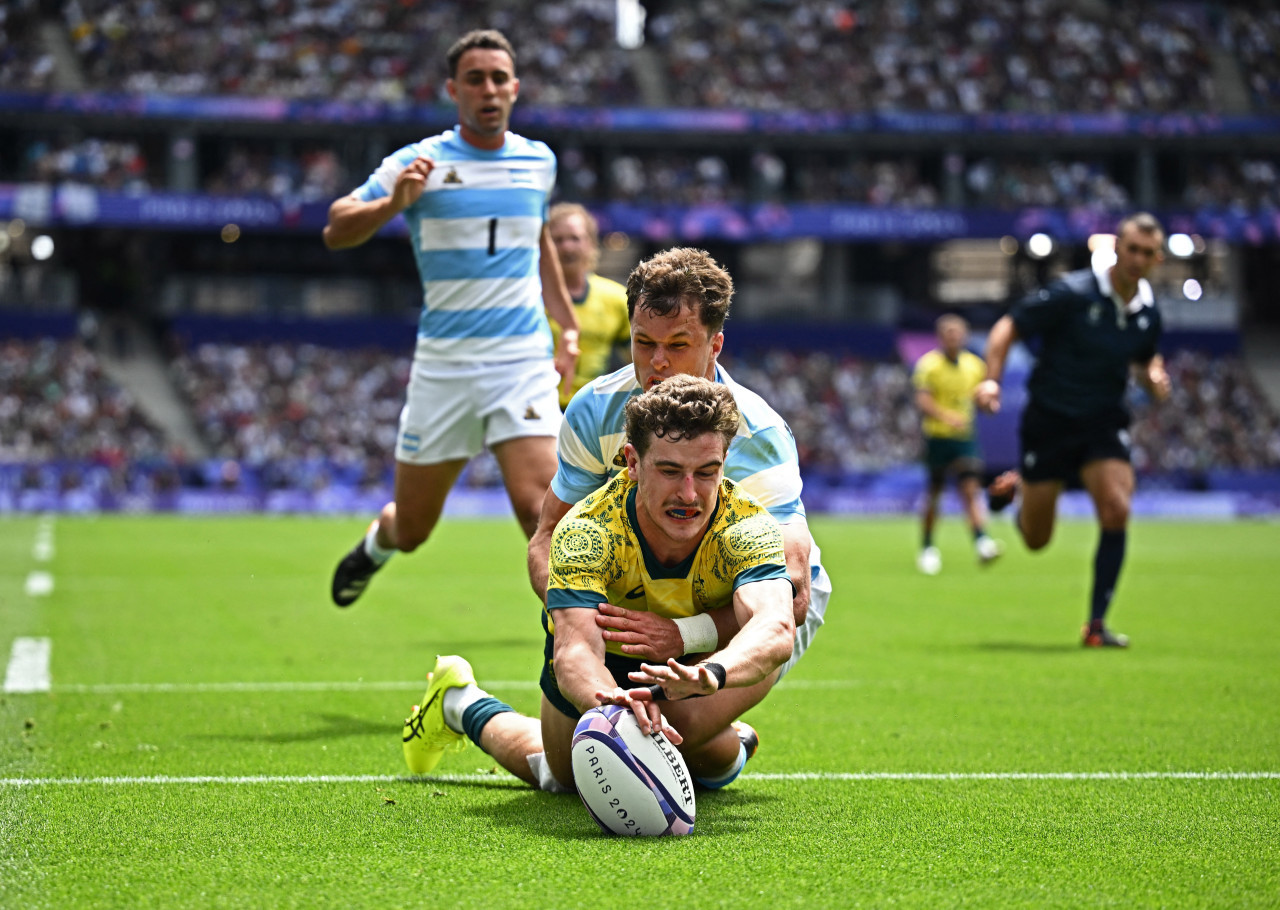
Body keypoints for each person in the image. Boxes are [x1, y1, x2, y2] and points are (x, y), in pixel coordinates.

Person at [401, 375, 796, 792]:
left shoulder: (747, 526)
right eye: (669, 470)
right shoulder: (588, 531)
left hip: (703, 661)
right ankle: (460, 702)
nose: (689, 494)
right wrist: (612, 707)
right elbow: (574, 651)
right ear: (632, 462)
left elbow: (776, 627)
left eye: (706, 472)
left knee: (671, 737)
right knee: (575, 775)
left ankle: (713, 745)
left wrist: (713, 673)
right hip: (606, 652)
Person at [322, 29, 580, 608]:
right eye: (474, 79)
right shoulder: (422, 161)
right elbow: (337, 228)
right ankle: (376, 546)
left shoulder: (538, 161)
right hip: (445, 368)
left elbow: (535, 242)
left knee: (538, 504)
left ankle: (585, 642)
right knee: (413, 528)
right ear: (453, 90)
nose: (488, 89)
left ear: (514, 88)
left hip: (520, 360)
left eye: (498, 78)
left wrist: (566, 324)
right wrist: (394, 205)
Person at [527, 246, 829, 691]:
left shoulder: (756, 432)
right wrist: (578, 612)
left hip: (740, 611)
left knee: (655, 737)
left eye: (678, 345)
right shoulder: (592, 410)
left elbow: (794, 593)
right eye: (644, 343)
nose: (658, 363)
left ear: (715, 345)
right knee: (581, 755)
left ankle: (716, 740)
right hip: (637, 604)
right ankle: (463, 704)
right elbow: (549, 536)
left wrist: (683, 635)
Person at [975, 212, 1172, 648]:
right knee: (1037, 539)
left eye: (1147, 252)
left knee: (1117, 508)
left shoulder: (1148, 311)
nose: (1138, 258)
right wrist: (992, 378)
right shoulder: (1073, 293)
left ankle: (1096, 626)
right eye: (1132, 248)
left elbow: (1143, 359)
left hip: (1103, 422)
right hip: (1051, 421)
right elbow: (1010, 325)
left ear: (1157, 258)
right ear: (1116, 247)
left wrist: (1154, 378)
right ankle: (1022, 492)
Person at [911, 314, 1002, 575]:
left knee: (970, 489)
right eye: (948, 332)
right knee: (935, 494)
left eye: (957, 332)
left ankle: (982, 541)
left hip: (965, 439)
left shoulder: (975, 366)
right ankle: (927, 547)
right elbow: (923, 401)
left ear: (964, 335)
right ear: (941, 336)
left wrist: (989, 405)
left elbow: (980, 398)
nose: (953, 337)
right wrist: (946, 416)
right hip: (938, 438)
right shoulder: (929, 366)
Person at [546, 202, 631, 409]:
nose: (567, 247)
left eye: (575, 238)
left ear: (591, 243)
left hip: (595, 412)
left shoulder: (616, 298)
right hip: (540, 409)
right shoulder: (531, 299)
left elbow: (637, 360)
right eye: (557, 240)